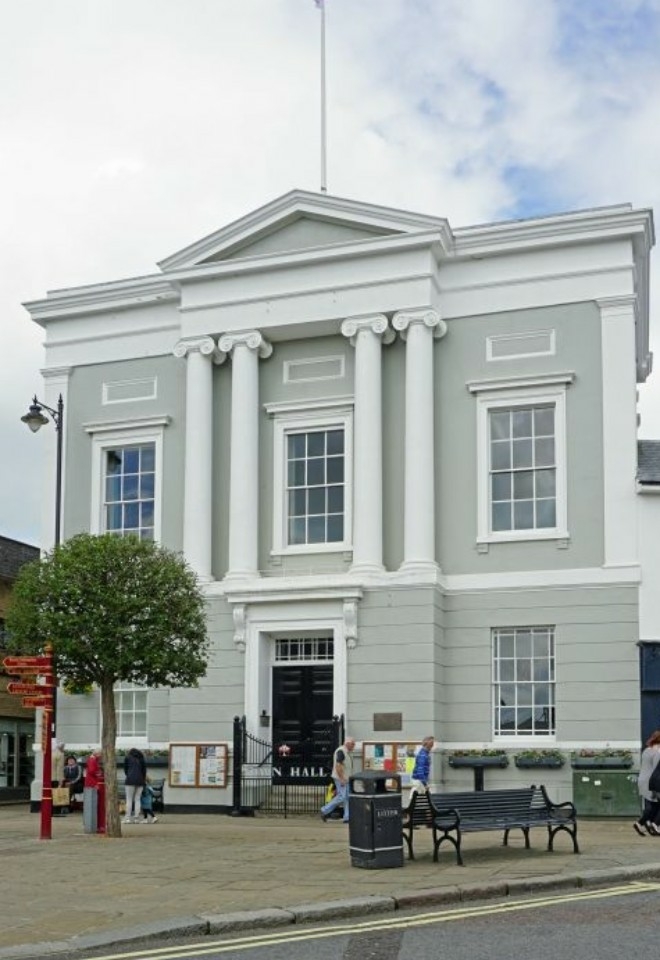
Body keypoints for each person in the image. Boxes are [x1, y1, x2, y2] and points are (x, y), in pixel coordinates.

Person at [320, 737, 355, 823]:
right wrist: (342, 779)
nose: (354, 746)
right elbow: (338, 766)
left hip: (345, 778)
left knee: (346, 797)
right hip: (341, 778)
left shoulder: (346, 752)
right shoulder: (341, 751)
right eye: (352, 744)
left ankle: (347, 817)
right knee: (342, 796)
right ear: (347, 744)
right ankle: (324, 810)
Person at [634, 730, 660, 836]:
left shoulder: (646, 750)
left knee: (652, 804)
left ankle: (647, 824)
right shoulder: (657, 753)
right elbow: (656, 770)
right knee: (655, 805)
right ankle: (651, 823)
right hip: (651, 781)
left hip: (642, 779)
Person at [123, 747, 146, 824]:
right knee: (137, 799)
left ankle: (128, 818)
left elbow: (125, 769)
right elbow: (144, 771)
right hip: (140, 781)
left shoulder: (127, 758)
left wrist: (128, 775)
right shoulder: (141, 758)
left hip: (130, 780)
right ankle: (136, 818)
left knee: (129, 799)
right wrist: (143, 779)